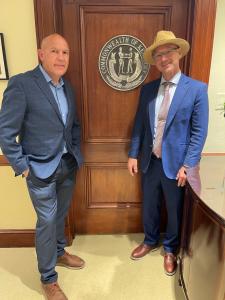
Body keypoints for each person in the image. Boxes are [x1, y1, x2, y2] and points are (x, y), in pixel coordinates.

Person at [0, 33, 84, 300]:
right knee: (46, 221)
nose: (61, 57)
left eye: (65, 52)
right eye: (55, 51)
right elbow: (5, 133)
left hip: (66, 164)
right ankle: (48, 278)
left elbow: (73, 126)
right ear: (41, 54)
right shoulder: (22, 84)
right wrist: (23, 166)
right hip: (38, 169)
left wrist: (76, 152)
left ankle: (59, 252)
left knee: (60, 216)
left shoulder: (67, 87)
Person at [128, 31, 208, 275]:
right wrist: (133, 154)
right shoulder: (148, 90)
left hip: (177, 165)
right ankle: (150, 240)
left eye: (168, 52)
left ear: (178, 54)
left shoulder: (196, 89)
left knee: (174, 209)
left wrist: (189, 164)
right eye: (159, 55)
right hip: (150, 161)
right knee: (150, 204)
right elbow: (140, 125)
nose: (164, 58)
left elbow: (199, 132)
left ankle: (171, 249)